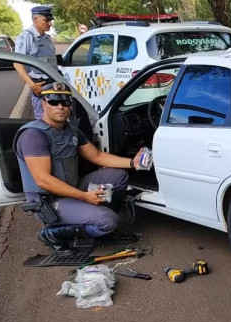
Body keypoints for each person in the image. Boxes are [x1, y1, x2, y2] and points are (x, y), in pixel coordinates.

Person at [13, 82, 144, 252]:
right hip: (50, 200)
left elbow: (97, 156)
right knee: (108, 222)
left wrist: (133, 162)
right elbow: (43, 180)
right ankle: (53, 232)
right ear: (44, 104)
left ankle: (90, 214)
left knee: (119, 176)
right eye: (53, 102)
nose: (60, 107)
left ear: (70, 106)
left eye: (65, 102)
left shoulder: (71, 130)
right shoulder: (34, 135)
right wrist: (84, 197)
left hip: (72, 188)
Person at [13, 6, 58, 120]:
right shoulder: (27, 36)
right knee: (42, 118)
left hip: (53, 82)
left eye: (50, 20)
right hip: (40, 85)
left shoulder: (46, 38)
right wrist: (32, 85)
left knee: (56, 117)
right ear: (35, 19)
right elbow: (17, 63)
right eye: (46, 20)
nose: (50, 23)